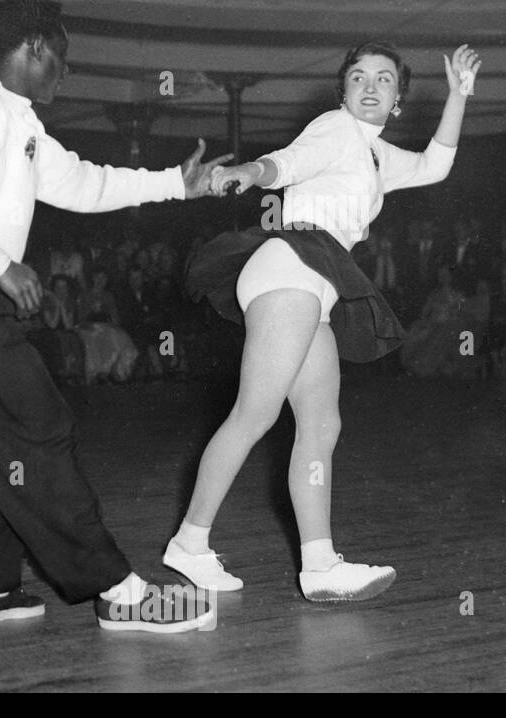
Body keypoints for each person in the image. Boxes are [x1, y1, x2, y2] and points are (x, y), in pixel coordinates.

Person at [0, 0, 226, 630]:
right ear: (36, 47)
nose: (65, 74)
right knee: (37, 428)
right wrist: (1, 266)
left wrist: (176, 184)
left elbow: (84, 184)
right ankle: (118, 592)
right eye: (63, 59)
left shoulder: (19, 123)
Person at [180, 42, 479, 600]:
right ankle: (190, 545)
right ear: (342, 91)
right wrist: (251, 170)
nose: (370, 85)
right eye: (359, 76)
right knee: (255, 413)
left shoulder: (375, 153)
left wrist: (459, 94)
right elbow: (288, 163)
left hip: (315, 281)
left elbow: (435, 166)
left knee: (321, 427)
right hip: (290, 267)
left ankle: (319, 565)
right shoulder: (335, 128)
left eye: (385, 80)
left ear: (395, 102)